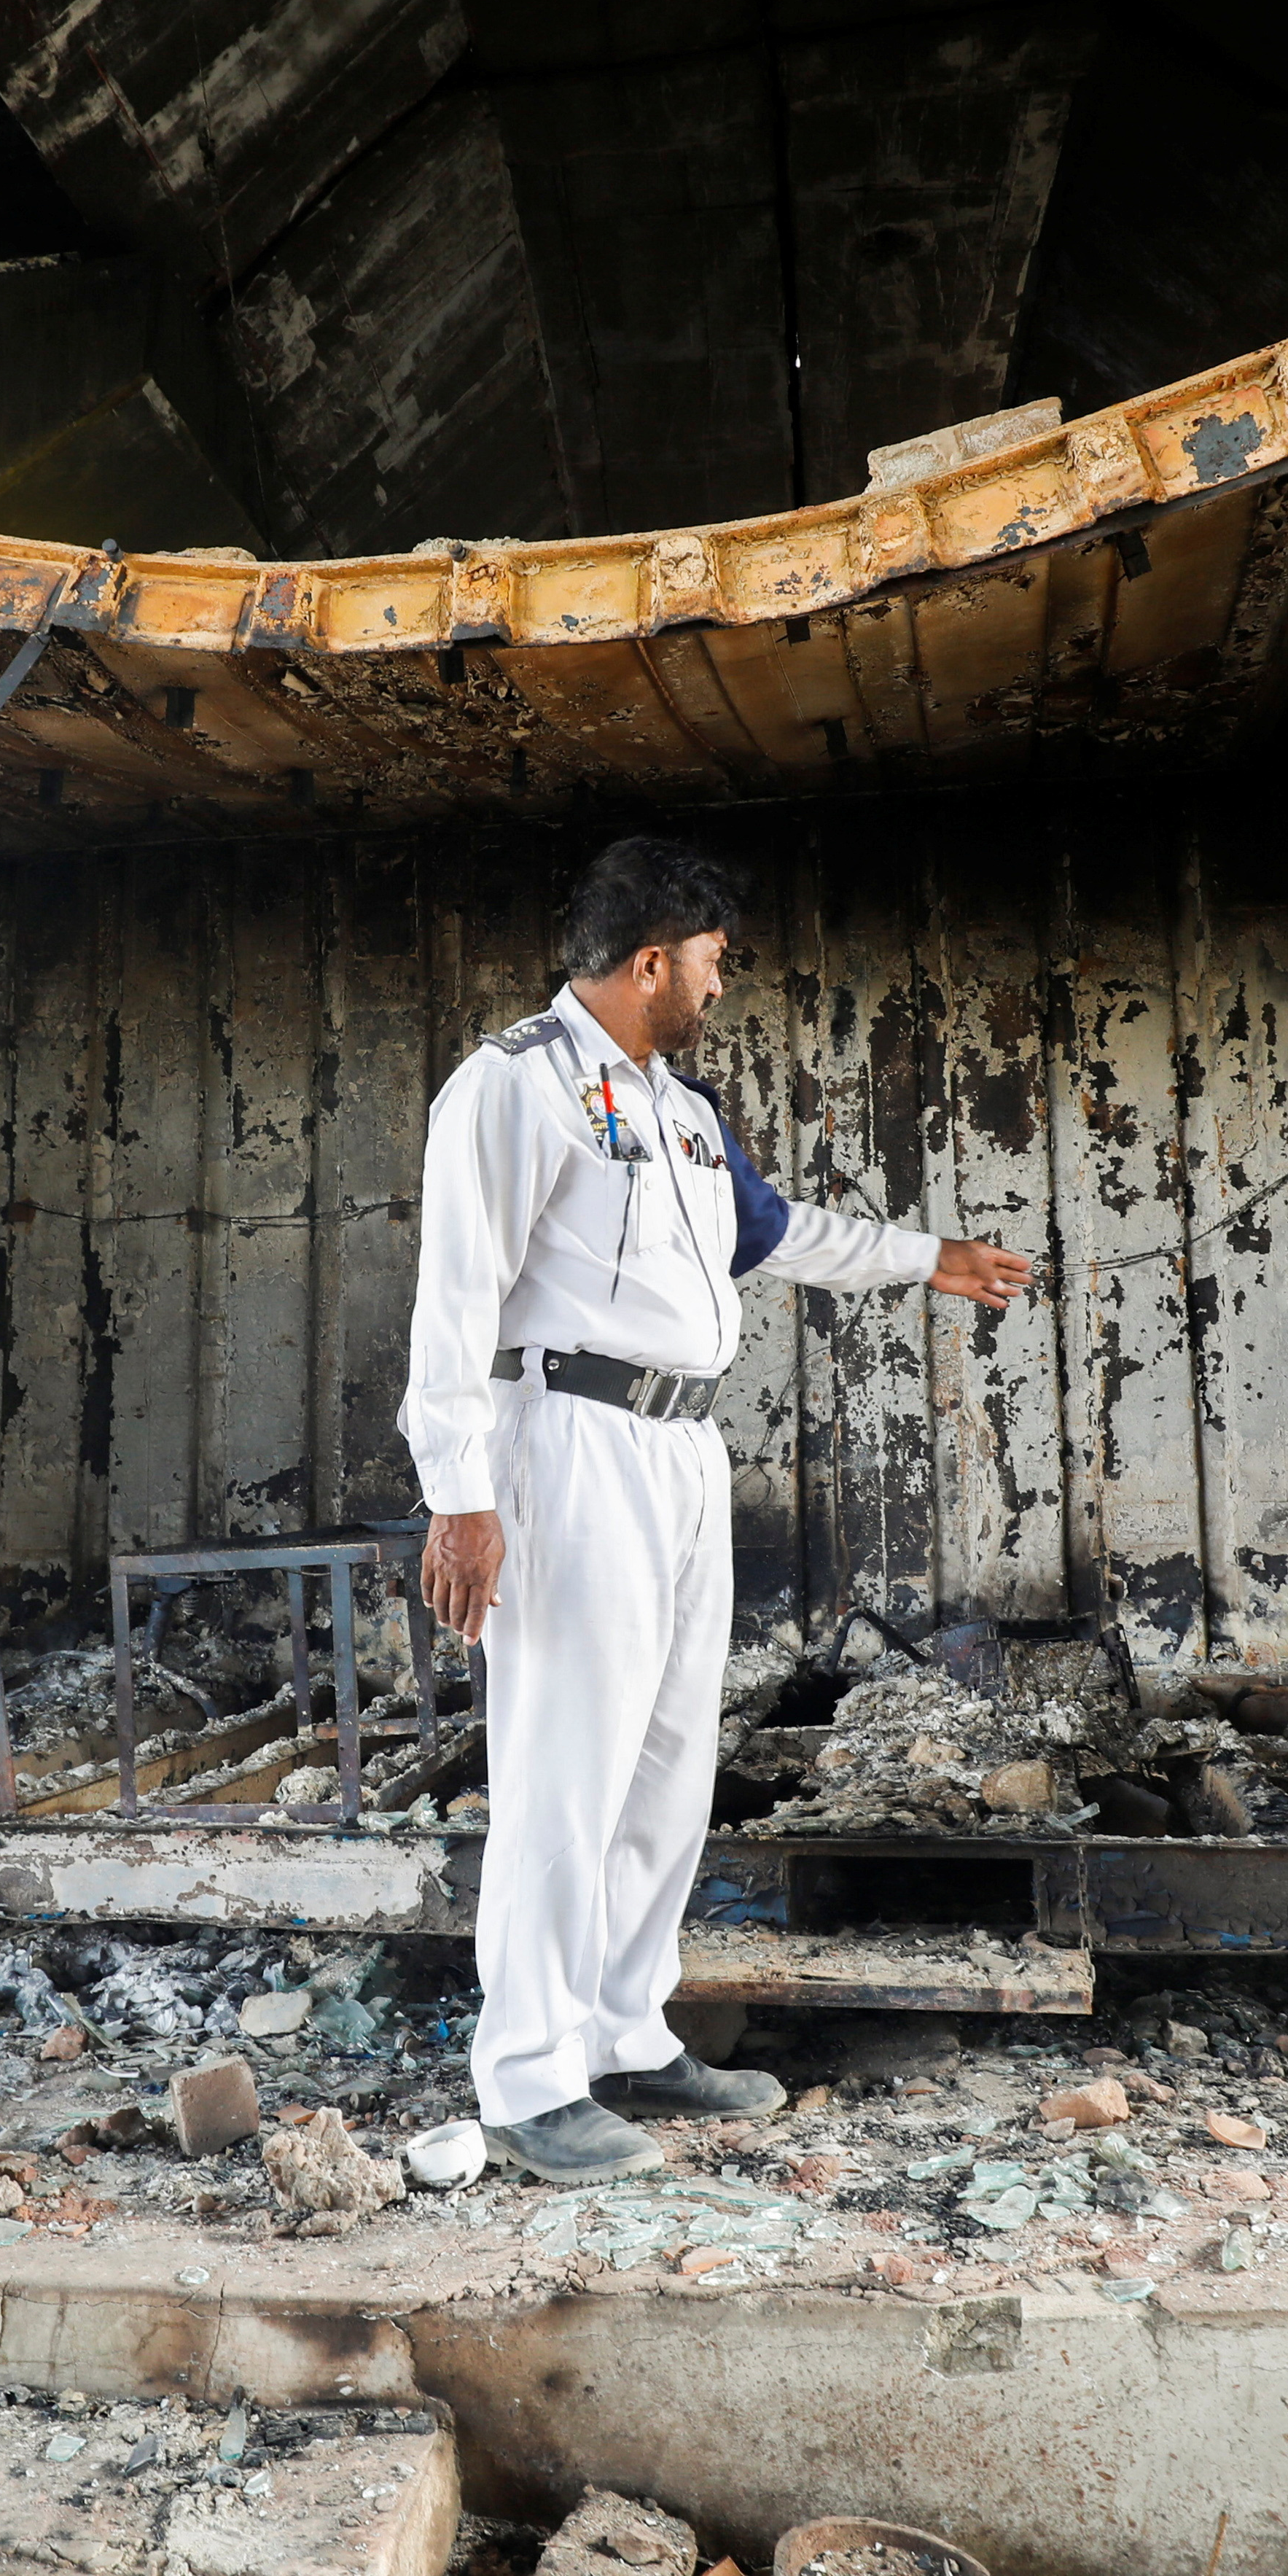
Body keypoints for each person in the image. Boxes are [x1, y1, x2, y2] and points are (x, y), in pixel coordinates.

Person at [402, 836, 1035, 2182]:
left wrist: (935, 1261)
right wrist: (458, 1497)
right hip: (566, 1442)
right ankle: (526, 2077)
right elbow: (453, 1301)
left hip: (681, 1454)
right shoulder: (514, 1086)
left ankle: (626, 2032)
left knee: (667, 1761)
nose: (719, 986)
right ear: (649, 961)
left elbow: (776, 1231)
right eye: (710, 962)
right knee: (564, 1768)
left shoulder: (680, 1111)